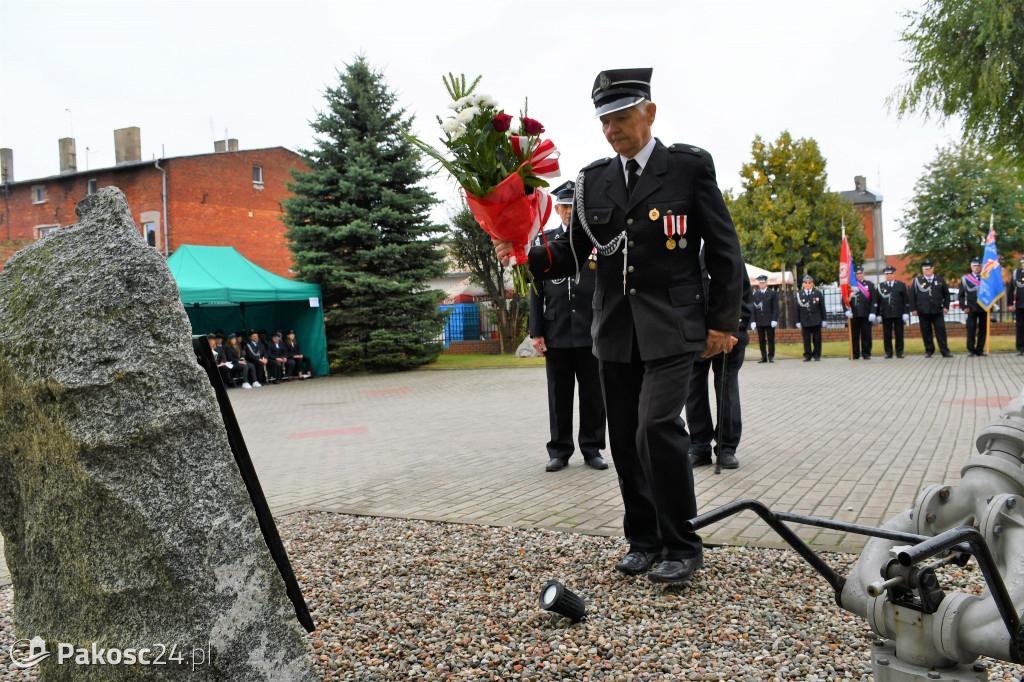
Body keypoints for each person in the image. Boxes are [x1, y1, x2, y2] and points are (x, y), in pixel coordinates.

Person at [494, 68, 744, 586]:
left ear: (649, 113)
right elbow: (572, 252)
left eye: (622, 117)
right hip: (613, 330)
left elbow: (724, 251)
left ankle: (683, 542)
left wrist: (723, 323)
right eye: (605, 120)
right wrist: (522, 251)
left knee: (657, 427)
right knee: (626, 440)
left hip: (675, 325)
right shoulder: (592, 181)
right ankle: (644, 539)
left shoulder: (687, 168)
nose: (612, 129)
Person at [529, 180, 608, 472]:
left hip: (591, 330)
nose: (568, 214)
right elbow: (536, 290)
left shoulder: (596, 243)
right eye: (564, 209)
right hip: (557, 330)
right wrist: (536, 331)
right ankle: (560, 451)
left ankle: (592, 448)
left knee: (593, 395)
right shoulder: (545, 242)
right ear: (558, 210)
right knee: (558, 395)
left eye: (573, 209)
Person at [687, 272, 752, 470]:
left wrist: (735, 330)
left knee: (727, 391)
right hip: (694, 335)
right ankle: (699, 446)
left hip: (727, 335)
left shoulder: (722, 244)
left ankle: (726, 447)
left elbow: (741, 291)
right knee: (693, 391)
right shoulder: (682, 246)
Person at [909, 259, 953, 358]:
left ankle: (945, 351)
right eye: (926, 269)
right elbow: (912, 296)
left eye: (929, 268)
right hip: (923, 311)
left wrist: (946, 306)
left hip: (937, 311)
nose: (928, 270)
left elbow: (946, 294)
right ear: (922, 270)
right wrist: (913, 309)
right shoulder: (917, 281)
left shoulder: (940, 280)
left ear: (933, 269)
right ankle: (929, 350)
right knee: (926, 331)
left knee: (941, 331)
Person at [844, 265, 877, 359]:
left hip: (866, 313)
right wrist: (846, 310)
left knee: (866, 334)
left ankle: (866, 353)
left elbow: (874, 300)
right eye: (857, 274)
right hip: (853, 314)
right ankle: (855, 353)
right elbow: (844, 299)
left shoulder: (869, 285)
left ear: (863, 274)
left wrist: (873, 312)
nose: (859, 275)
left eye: (860, 273)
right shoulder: (850, 285)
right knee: (854, 335)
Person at [877, 266, 910, 359]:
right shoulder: (881, 286)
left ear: (894, 274)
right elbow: (878, 301)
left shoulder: (900, 285)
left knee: (899, 334)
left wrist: (906, 312)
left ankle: (899, 352)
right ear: (885, 275)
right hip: (886, 314)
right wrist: (878, 314)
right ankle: (889, 352)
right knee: (887, 334)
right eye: (887, 274)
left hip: (898, 313)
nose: (889, 276)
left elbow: (905, 300)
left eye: (891, 274)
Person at [959, 256, 988, 356]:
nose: (977, 268)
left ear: (981, 267)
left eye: (979, 266)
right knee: (971, 329)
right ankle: (971, 349)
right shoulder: (965, 279)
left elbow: (990, 293)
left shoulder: (986, 278)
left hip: (984, 307)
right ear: (971, 267)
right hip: (971, 308)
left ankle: (980, 349)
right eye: (974, 266)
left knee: (983, 330)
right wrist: (963, 306)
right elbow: (961, 295)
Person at [795, 274, 826, 361]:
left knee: (817, 339)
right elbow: (797, 309)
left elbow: (822, 307)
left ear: (812, 284)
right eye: (806, 283)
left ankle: (817, 355)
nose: (808, 284)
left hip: (816, 320)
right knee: (806, 339)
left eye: (809, 283)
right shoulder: (799, 294)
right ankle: (807, 355)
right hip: (805, 320)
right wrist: (797, 321)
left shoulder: (817, 293)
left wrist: (824, 319)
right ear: (803, 284)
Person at [751, 275, 778, 363]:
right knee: (761, 339)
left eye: (763, 282)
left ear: (766, 283)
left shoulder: (772, 293)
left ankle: (771, 356)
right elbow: (753, 309)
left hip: (769, 320)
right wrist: (753, 321)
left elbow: (775, 308)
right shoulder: (756, 294)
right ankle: (763, 356)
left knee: (771, 339)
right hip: (760, 320)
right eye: (760, 283)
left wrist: (774, 319)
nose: (761, 284)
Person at [1011, 257, 1024, 355]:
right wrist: (1010, 303)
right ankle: (1020, 348)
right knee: (1020, 327)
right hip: (1020, 305)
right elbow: (1011, 289)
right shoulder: (1017, 273)